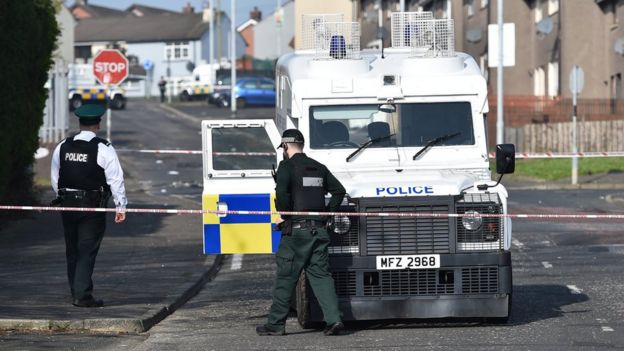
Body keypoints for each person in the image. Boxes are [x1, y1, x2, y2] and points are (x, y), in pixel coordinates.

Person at [256, 129, 346, 336]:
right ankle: (334, 321)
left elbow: (281, 193)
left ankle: (276, 324)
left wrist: (285, 214)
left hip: (296, 234)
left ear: (285, 146)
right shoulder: (319, 167)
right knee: (321, 276)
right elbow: (339, 191)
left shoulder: (286, 166)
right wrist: (326, 214)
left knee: (286, 277)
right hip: (319, 231)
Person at [50, 104, 127, 308]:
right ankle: (82, 296)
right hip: (92, 206)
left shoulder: (63, 146)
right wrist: (121, 206)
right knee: (86, 250)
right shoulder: (103, 148)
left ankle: (76, 291)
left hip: (67, 205)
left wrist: (60, 196)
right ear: (98, 124)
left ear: (80, 123)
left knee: (72, 249)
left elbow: (55, 176)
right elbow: (116, 179)